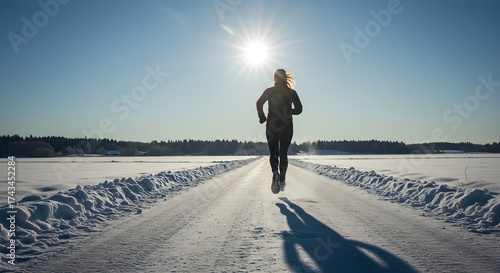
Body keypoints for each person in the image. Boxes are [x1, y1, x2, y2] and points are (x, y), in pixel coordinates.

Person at [256, 69, 303, 193]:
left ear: (274, 79)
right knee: (283, 153)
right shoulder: (291, 93)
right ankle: (282, 180)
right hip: (287, 126)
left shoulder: (269, 91)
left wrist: (262, 117)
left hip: (272, 125)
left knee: (273, 152)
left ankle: (275, 173)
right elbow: (299, 110)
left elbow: (259, 103)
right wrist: (288, 111)